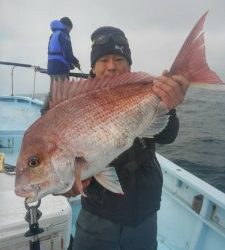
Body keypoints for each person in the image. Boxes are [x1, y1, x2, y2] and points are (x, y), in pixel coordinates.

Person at [65, 26, 189, 250]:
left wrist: (170, 106)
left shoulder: (146, 90)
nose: (111, 66)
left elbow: (168, 136)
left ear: (129, 64)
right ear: (92, 66)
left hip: (144, 212)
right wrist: (68, 186)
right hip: (97, 214)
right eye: (103, 59)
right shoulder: (74, 101)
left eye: (118, 58)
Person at [41, 17, 81, 115]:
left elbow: (54, 52)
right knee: (62, 93)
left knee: (54, 90)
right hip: (60, 68)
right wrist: (76, 62)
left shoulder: (53, 34)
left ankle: (45, 111)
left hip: (52, 66)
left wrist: (69, 64)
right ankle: (51, 114)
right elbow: (68, 53)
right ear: (67, 26)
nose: (70, 32)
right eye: (70, 29)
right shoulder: (64, 34)